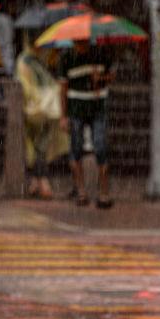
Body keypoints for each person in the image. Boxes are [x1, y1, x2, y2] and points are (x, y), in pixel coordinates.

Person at [58, 40, 115, 208]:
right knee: (75, 148)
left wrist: (101, 79)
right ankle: (81, 191)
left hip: (97, 107)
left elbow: (111, 76)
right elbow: (63, 88)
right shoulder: (66, 58)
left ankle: (104, 192)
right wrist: (63, 115)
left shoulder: (101, 54)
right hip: (76, 108)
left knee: (101, 147)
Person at [15, 42, 68, 199]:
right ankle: (41, 180)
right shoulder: (26, 61)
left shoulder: (37, 61)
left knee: (39, 145)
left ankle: (36, 181)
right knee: (38, 146)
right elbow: (26, 86)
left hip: (45, 109)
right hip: (36, 109)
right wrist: (41, 98)